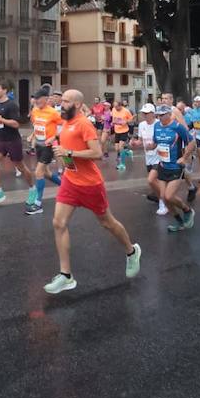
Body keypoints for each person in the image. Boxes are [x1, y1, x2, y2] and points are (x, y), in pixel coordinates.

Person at [43, 89, 142, 295]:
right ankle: (66, 275)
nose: (62, 105)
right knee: (58, 223)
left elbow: (97, 153)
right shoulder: (66, 123)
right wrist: (56, 147)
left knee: (107, 222)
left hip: (90, 185)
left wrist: (69, 152)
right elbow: (66, 151)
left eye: (67, 102)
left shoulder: (84, 124)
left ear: (78, 105)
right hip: (70, 181)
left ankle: (131, 251)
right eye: (62, 101)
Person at [24, 86, 64, 215]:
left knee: (38, 172)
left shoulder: (53, 112)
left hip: (48, 147)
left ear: (46, 99)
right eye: (35, 99)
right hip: (39, 146)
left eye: (38, 99)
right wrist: (32, 135)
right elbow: (37, 126)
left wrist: (54, 137)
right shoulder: (35, 111)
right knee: (46, 173)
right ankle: (65, 186)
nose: (36, 101)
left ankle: (38, 204)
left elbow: (63, 126)